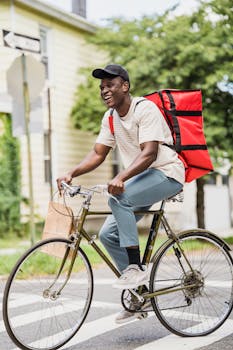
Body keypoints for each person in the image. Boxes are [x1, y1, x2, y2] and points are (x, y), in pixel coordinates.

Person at [57, 64, 185, 323]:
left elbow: (149, 153)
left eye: (110, 85)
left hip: (167, 174)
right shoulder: (111, 118)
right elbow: (97, 153)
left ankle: (136, 268)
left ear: (125, 86)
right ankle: (139, 294)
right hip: (142, 179)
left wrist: (121, 177)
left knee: (119, 196)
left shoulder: (144, 109)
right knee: (107, 234)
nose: (104, 91)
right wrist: (72, 172)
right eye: (101, 87)